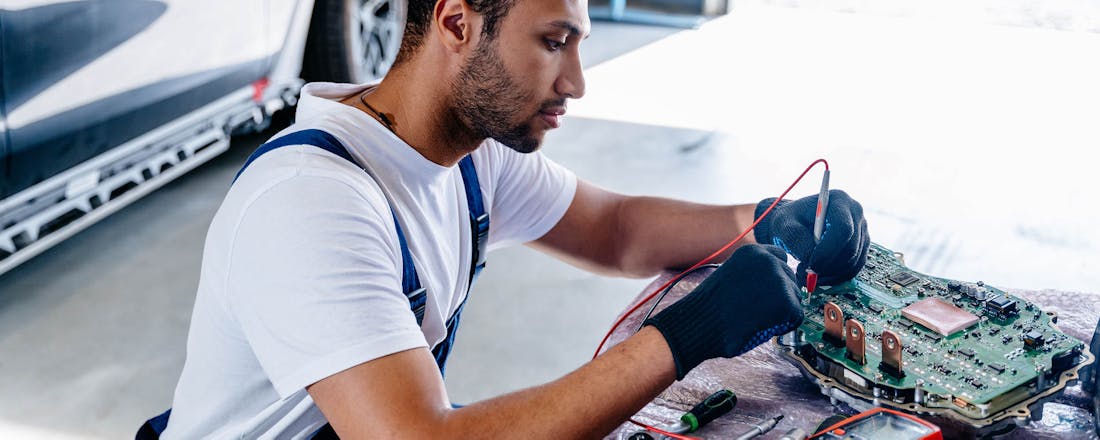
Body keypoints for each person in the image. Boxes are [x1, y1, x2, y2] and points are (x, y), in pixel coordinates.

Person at [158, 0, 869, 438]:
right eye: (554, 43)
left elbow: (615, 229)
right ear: (457, 24)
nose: (576, 83)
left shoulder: (471, 152)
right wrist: (689, 333)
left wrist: (770, 220)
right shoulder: (312, 202)